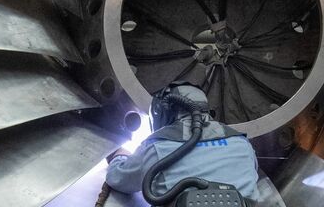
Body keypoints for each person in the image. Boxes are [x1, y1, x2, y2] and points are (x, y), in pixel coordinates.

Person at [105, 82, 260, 203]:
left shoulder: (156, 146)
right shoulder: (243, 143)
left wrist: (119, 156)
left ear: (164, 113)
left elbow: (117, 179)